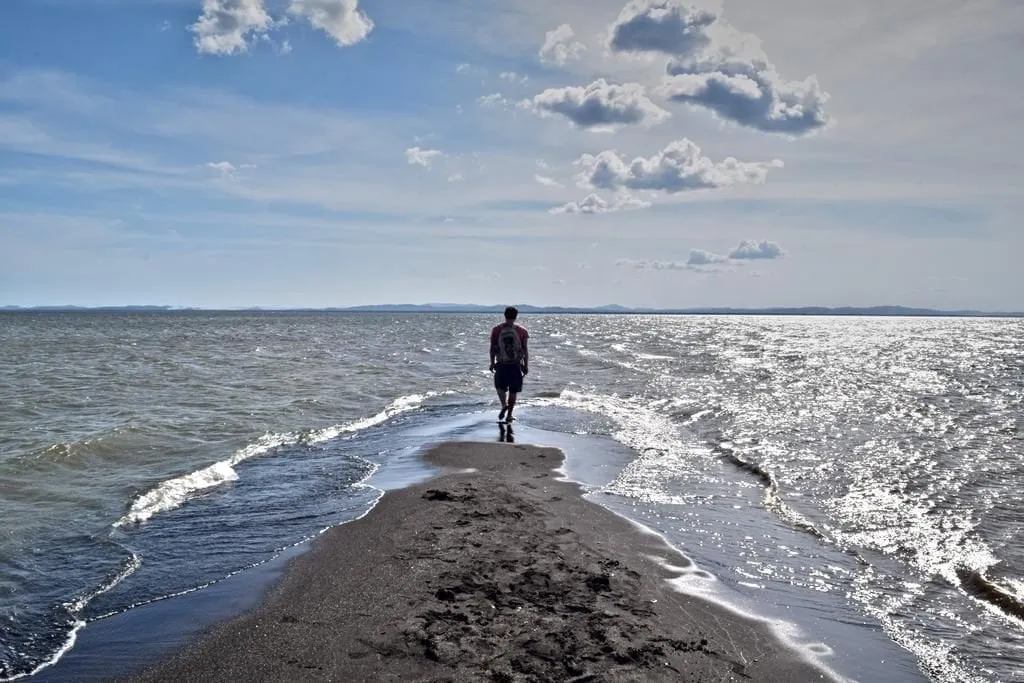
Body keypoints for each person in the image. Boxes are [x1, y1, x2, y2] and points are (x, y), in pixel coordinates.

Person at [489, 305, 529, 423]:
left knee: (499, 387)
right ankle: (509, 415)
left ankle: (503, 405)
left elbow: (492, 348)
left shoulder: (496, 330)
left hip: (501, 363)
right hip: (516, 364)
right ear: (516, 316)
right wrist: (526, 365)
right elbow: (525, 349)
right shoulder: (522, 331)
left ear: (504, 315)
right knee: (513, 390)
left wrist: (492, 363)